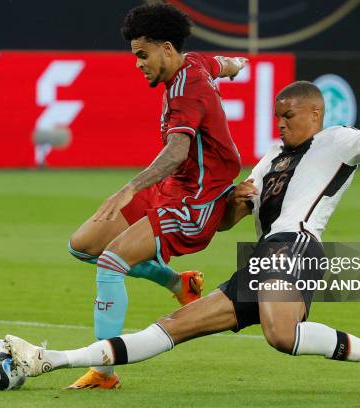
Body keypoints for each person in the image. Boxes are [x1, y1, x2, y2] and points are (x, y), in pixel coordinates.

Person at [7, 47, 360, 397]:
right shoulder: (269, 161)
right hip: (264, 259)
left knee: (280, 336)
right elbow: (224, 225)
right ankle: (46, 359)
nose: (280, 124)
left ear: (315, 114)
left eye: (289, 116)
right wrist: (234, 203)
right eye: (277, 116)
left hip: (295, 245)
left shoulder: (338, 141)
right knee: (172, 327)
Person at [65, 3, 247, 389]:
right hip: (172, 188)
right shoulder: (193, 62)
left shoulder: (186, 89)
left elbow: (178, 150)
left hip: (195, 200)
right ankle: (180, 285)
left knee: (111, 263)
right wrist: (235, 65)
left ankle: (104, 372)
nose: (138, 64)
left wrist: (130, 187)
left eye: (142, 55)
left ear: (166, 48)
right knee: (83, 246)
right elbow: (224, 63)